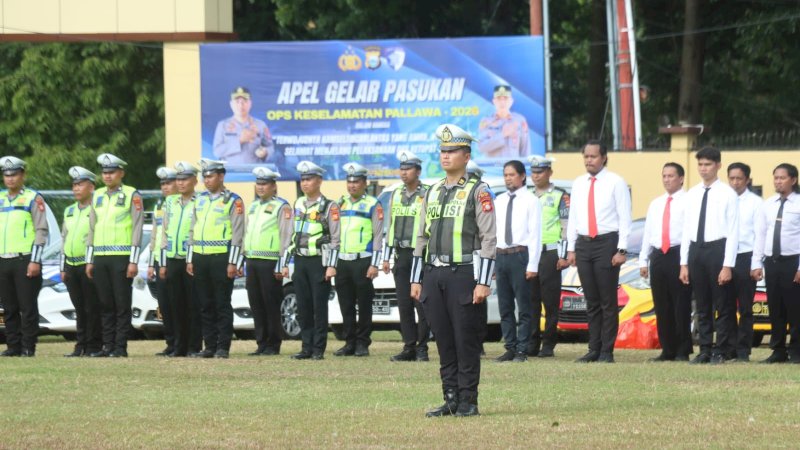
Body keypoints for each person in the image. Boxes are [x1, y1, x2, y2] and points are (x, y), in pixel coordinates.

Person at [410, 123, 497, 418]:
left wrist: (483, 282)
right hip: (433, 275)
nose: (445, 156)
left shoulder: (478, 191)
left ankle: (468, 401)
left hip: (464, 273)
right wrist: (416, 278)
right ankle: (449, 398)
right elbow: (420, 237)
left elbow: (489, 238)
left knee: (465, 340)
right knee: (444, 340)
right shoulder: (432, 191)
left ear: (466, 155)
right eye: (442, 151)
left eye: (452, 151)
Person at [566, 140, 632, 363]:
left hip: (607, 242)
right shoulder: (578, 183)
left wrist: (621, 249)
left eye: (593, 156)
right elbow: (574, 217)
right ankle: (593, 348)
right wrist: (571, 248)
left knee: (607, 300)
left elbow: (625, 218)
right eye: (586, 157)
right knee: (591, 299)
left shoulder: (616, 182)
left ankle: (607, 350)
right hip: (584, 244)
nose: (589, 161)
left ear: (604, 157)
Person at [679, 147, 739, 364]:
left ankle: (722, 349)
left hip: (718, 249)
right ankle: (704, 348)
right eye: (700, 165)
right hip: (697, 249)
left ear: (718, 166)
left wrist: (727, 265)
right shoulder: (692, 194)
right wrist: (684, 263)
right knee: (702, 303)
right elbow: (686, 229)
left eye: (708, 164)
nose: (703, 169)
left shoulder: (727, 194)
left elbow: (733, 232)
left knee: (722, 303)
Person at [86, 153, 144, 358]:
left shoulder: (132, 194)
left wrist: (133, 260)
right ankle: (107, 345)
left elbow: (137, 227)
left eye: (111, 172)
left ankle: (120, 347)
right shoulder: (97, 195)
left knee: (121, 303)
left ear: (121, 173)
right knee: (105, 303)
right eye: (104, 172)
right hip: (100, 256)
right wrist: (89, 259)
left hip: (121, 256)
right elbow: (92, 227)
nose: (107, 176)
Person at [281, 161, 340, 360]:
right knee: (303, 306)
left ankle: (318, 348)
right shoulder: (297, 204)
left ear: (319, 181)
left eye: (309, 179)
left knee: (318, 307)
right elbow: (290, 234)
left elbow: (335, 238)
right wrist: (285, 263)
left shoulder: (328, 206)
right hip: (300, 260)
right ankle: (306, 347)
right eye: (303, 179)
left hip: (319, 262)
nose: (305, 183)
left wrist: (332, 265)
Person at [186, 159, 244, 359]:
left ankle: (223, 346)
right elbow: (192, 229)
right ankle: (209, 345)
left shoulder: (233, 201)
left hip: (221, 258)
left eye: (210, 176)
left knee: (221, 303)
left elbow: (238, 234)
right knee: (205, 304)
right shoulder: (200, 200)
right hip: (201, 258)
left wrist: (233, 262)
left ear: (221, 176)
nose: (206, 180)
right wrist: (190, 258)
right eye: (205, 176)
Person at [639, 163, 693, 361]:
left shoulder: (688, 201)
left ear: (681, 178)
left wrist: (684, 262)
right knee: (662, 304)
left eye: (671, 176)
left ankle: (682, 349)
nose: (667, 179)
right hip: (658, 255)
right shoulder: (656, 203)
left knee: (680, 304)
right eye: (664, 176)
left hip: (678, 254)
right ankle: (667, 349)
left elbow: (688, 233)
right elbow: (648, 232)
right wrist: (643, 260)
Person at [383, 150, 431, 362]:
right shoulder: (395, 194)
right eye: (401, 169)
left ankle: (422, 347)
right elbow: (389, 226)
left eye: (408, 168)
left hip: (419, 254)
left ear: (418, 171)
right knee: (403, 303)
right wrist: (386, 257)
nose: (404, 173)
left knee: (421, 303)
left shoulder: (428, 193)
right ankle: (408, 347)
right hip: (401, 254)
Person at [333, 162, 383, 357]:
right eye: (349, 181)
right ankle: (349, 342)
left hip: (363, 260)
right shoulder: (340, 203)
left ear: (364, 183)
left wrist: (374, 264)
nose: (352, 185)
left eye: (356, 182)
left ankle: (363, 343)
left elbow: (378, 236)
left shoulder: (373, 203)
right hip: (342, 261)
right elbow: (335, 234)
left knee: (363, 304)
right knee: (345, 303)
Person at [751, 163, 800, 364]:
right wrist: (756, 263)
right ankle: (777, 349)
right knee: (776, 307)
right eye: (776, 178)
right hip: (772, 262)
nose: (778, 181)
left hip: (793, 261)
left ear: (793, 180)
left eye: (782, 178)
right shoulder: (768, 204)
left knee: (795, 308)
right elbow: (760, 235)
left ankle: (796, 350)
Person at [494, 160, 541, 363]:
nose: (508, 178)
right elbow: (493, 231)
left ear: (522, 176)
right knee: (505, 306)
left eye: (512, 174)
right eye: (505, 175)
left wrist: (532, 265)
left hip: (520, 254)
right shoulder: (499, 200)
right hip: (501, 254)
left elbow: (535, 235)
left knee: (523, 306)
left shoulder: (531, 200)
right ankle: (510, 347)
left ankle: (523, 348)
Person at [0, 156, 48, 357]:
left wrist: (35, 260)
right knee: (9, 306)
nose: (10, 179)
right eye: (6, 175)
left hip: (25, 259)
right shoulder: (1, 198)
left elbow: (41, 230)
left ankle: (28, 346)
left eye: (14, 175)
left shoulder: (32, 198)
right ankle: (13, 345)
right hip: (3, 259)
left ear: (22, 175)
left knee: (27, 306)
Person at [243, 166, 293, 356]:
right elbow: (247, 233)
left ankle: (273, 343)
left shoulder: (282, 206)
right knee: (256, 303)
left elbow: (286, 236)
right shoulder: (254, 206)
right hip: (253, 260)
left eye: (265, 184)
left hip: (270, 261)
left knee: (271, 304)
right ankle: (261, 342)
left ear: (274, 186)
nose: (261, 187)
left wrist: (282, 263)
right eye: (258, 183)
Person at [527, 155, 570, 358]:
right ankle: (532, 343)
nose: (536, 176)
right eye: (533, 172)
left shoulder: (561, 195)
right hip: (530, 253)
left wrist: (563, 255)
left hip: (551, 253)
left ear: (549, 173)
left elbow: (566, 226)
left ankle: (549, 344)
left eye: (540, 172)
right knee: (531, 300)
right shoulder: (526, 194)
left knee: (550, 302)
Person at [159, 161, 202, 357]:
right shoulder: (171, 202)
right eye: (179, 179)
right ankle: (178, 345)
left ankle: (193, 346)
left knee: (193, 305)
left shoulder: (200, 201)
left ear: (195, 180)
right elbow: (164, 233)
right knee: (175, 305)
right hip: (172, 258)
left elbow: (196, 231)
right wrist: (162, 261)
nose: (181, 183)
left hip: (190, 259)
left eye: (185, 179)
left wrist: (192, 259)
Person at [60, 166, 102, 357]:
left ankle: (94, 345)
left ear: (91, 187)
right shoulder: (69, 210)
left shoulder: (97, 209)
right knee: (79, 307)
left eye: (80, 184)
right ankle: (81, 344)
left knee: (92, 307)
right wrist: (63, 266)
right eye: (74, 185)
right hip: (71, 264)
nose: (76, 188)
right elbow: (64, 239)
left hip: (88, 265)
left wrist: (91, 261)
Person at [728, 162, 762, 362]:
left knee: (746, 307)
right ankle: (728, 348)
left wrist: (756, 263)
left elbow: (760, 235)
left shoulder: (756, 203)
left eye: (739, 178)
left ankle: (743, 350)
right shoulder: (723, 200)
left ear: (747, 180)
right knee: (726, 306)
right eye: (731, 178)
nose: (734, 182)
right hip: (726, 258)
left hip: (746, 256)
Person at [149, 167, 178, 356]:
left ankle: (181, 343)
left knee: (178, 304)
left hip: (175, 259)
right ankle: (170, 343)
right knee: (165, 305)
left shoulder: (183, 204)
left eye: (168, 183)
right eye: (163, 184)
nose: (165, 187)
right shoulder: (160, 206)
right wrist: (152, 263)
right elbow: (154, 236)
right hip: (160, 259)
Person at [213, 86, 279, 166]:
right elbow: (217, 151)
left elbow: (270, 147)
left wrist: (265, 152)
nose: (241, 105)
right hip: (231, 174)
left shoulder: (261, 125)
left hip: (255, 173)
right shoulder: (222, 125)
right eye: (237, 101)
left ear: (250, 103)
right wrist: (239, 141)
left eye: (245, 101)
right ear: (231, 104)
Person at [477, 85, 531, 159]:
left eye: (505, 98)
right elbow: (481, 147)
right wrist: (502, 134)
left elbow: (525, 150)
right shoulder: (486, 122)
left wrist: (525, 168)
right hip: (492, 168)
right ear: (494, 101)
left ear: (511, 101)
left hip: (513, 168)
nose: (502, 102)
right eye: (499, 99)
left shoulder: (519, 121)